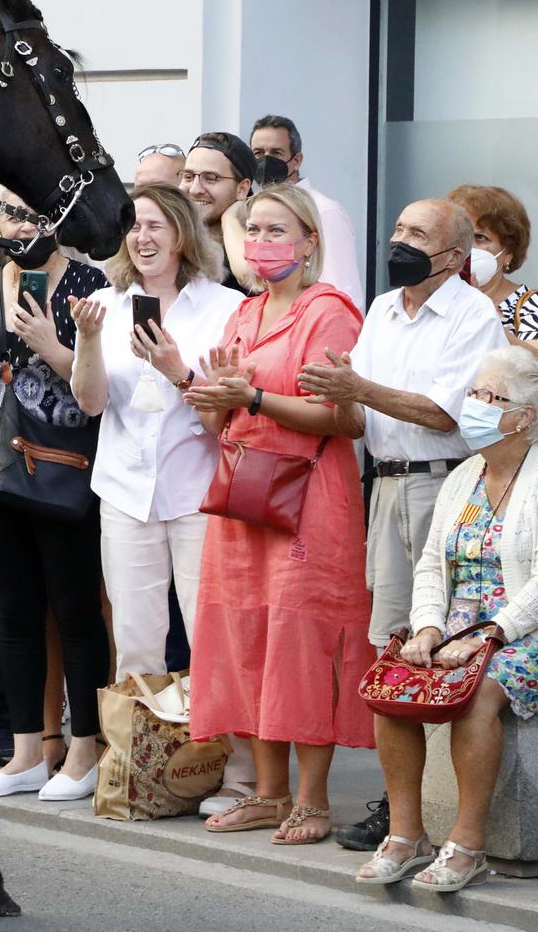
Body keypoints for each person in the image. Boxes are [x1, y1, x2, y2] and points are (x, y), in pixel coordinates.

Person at [298, 197, 506, 853]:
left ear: (453, 255)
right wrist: (335, 392)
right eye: (398, 229)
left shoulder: (473, 313)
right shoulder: (384, 309)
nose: (400, 241)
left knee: (447, 641)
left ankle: (450, 808)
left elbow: (446, 413)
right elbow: (363, 416)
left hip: (448, 484)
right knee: (392, 644)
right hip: (386, 486)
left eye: (417, 234)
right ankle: (401, 810)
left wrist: (357, 387)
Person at [354, 347, 538, 891]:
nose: (475, 406)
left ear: (525, 418)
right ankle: (405, 835)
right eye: (474, 394)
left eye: (491, 398)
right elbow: (430, 565)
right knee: (394, 684)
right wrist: (426, 628)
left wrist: (490, 635)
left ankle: (468, 846)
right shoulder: (464, 474)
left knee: (479, 694)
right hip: (458, 635)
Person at [183, 184, 369, 845]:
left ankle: (312, 799)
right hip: (242, 495)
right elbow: (216, 413)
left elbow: (338, 417)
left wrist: (254, 395)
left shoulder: (330, 311)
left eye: (275, 228)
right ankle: (268, 793)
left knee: (302, 642)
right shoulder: (245, 311)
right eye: (253, 229)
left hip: (310, 495)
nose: (260, 241)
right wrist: (211, 390)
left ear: (310, 239)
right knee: (247, 636)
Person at [0, 195, 113, 803]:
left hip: (62, 468)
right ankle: (26, 750)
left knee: (76, 611)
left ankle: (85, 748)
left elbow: (98, 390)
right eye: (13, 215)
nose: (26, 226)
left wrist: (52, 342)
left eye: (37, 215)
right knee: (11, 610)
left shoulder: (91, 284)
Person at [72, 185, 241, 681]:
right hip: (126, 491)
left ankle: (227, 761)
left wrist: (174, 368)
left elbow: (230, 410)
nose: (141, 238)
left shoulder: (226, 306)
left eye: (154, 226)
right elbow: (91, 403)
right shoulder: (105, 302)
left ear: (182, 236)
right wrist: (87, 339)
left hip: (199, 490)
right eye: (132, 226)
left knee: (211, 635)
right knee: (135, 642)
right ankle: (144, 757)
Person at [449, 185, 538, 379]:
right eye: (460, 236)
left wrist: (490, 323)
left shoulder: (536, 304)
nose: (467, 247)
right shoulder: (431, 297)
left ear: (509, 253)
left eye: (480, 238)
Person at [239, 116, 359, 299]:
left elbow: (342, 290)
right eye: (258, 153)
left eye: (276, 153)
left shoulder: (324, 211)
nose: (266, 160)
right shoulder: (254, 208)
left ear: (296, 160)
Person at [177, 132, 253, 286]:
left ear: (242, 189)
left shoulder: (261, 240)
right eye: (188, 176)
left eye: (210, 178)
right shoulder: (168, 240)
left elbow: (251, 277)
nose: (194, 189)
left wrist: (230, 219)